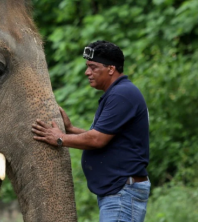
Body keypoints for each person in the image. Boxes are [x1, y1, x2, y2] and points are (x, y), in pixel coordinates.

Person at [32, 40, 150, 222]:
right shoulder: (118, 93)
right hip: (119, 191)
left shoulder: (121, 94)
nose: (87, 72)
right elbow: (107, 137)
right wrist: (70, 130)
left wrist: (60, 138)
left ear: (111, 69)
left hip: (122, 193)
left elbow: (96, 140)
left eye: (93, 67)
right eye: (87, 67)